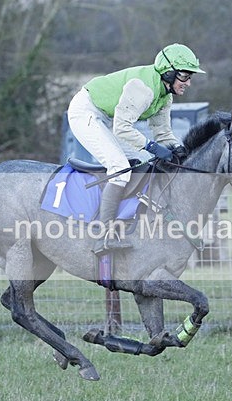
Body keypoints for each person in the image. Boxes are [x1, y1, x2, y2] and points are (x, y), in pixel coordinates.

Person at [67, 43, 205, 253]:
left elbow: (163, 133)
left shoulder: (165, 96)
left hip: (107, 117)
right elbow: (122, 128)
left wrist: (181, 150)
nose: (189, 82)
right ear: (169, 73)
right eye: (185, 76)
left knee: (141, 162)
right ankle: (104, 236)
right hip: (85, 111)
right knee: (120, 168)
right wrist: (153, 147)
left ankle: (126, 221)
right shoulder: (144, 88)